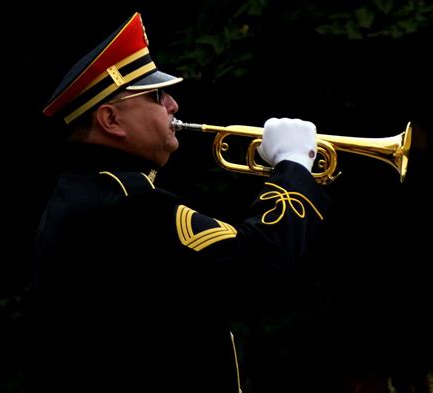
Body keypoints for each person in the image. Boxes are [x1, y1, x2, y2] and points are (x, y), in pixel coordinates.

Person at [30, 11, 330, 393]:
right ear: (111, 119)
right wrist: (293, 168)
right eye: (157, 95)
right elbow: (262, 260)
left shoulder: (82, 196)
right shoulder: (128, 207)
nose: (173, 105)